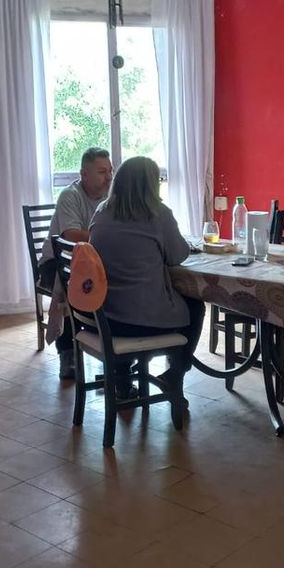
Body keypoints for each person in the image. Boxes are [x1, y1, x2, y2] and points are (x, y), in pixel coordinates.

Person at [89, 156, 205, 400]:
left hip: (104, 318)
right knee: (195, 305)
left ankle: (122, 379)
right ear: (150, 184)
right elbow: (177, 256)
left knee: (127, 296)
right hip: (143, 322)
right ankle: (175, 373)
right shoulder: (158, 214)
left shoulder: (100, 212)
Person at [39, 147, 113, 379]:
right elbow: (70, 235)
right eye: (102, 172)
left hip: (92, 262)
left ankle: (108, 344)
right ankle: (67, 352)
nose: (109, 177)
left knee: (118, 281)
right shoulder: (70, 195)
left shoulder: (111, 197)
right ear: (84, 174)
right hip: (55, 263)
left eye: (110, 171)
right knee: (72, 282)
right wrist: (109, 237)